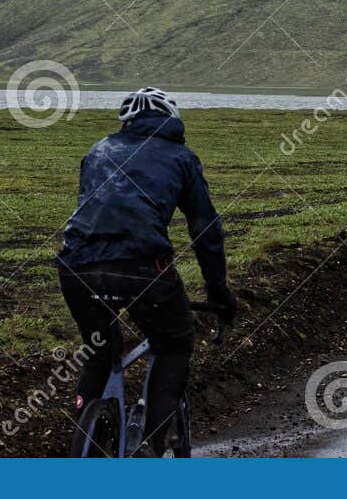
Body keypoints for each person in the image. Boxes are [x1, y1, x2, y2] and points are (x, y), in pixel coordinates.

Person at [57, 86, 238, 454]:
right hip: (144, 269)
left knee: (97, 351)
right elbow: (206, 230)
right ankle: (153, 445)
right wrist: (218, 290)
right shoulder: (181, 157)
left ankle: (85, 432)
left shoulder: (98, 150)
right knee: (173, 343)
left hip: (76, 267)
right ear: (172, 119)